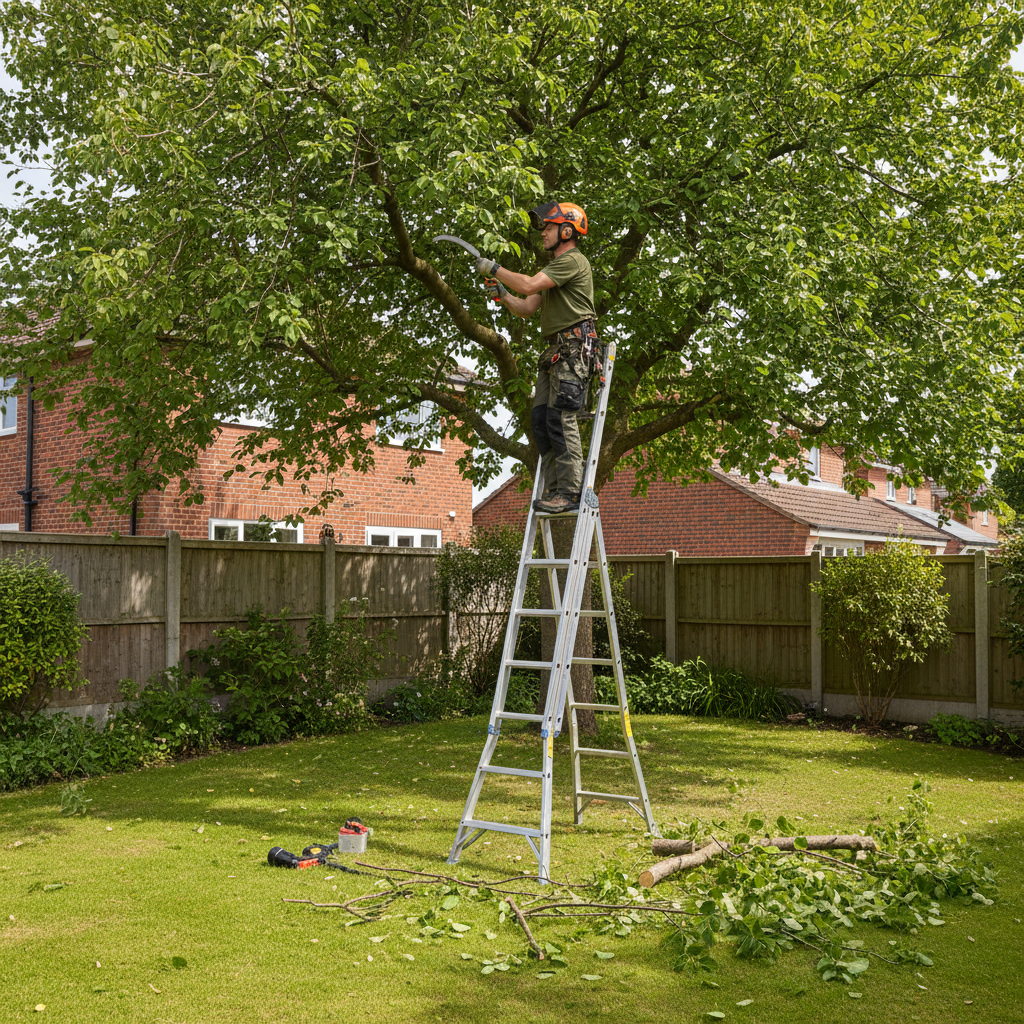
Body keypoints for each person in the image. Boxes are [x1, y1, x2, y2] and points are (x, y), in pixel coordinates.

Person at [475, 201, 599, 514]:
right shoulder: (554, 273)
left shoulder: (573, 261)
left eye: (548, 227)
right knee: (540, 421)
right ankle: (556, 489)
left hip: (574, 349)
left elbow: (529, 284)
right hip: (556, 352)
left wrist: (494, 268)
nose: (543, 233)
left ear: (567, 230)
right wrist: (502, 293)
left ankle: (571, 493)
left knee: (560, 417)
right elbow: (527, 307)